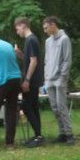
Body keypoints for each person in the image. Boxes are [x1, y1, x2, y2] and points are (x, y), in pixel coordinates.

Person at [14, 17, 45, 147]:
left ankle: (39, 136)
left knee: (27, 107)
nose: (17, 32)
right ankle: (38, 134)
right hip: (34, 79)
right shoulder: (30, 40)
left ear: (23, 25)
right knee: (33, 107)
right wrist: (21, 55)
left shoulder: (31, 40)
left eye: (17, 29)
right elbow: (30, 59)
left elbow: (34, 61)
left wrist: (27, 80)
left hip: (31, 80)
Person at [42, 16, 74, 144]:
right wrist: (46, 77)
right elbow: (46, 60)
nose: (45, 30)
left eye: (46, 28)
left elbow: (67, 60)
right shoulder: (48, 41)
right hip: (49, 79)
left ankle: (69, 133)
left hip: (60, 78)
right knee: (54, 107)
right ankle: (62, 133)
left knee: (61, 107)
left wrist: (62, 76)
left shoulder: (64, 39)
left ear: (53, 25)